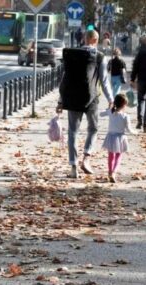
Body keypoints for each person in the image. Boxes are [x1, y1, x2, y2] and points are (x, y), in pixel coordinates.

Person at [57, 29, 114, 178]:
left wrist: (61, 101)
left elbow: (65, 80)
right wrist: (111, 99)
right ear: (96, 40)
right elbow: (104, 81)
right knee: (93, 129)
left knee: (73, 132)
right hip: (91, 99)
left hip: (72, 98)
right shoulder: (99, 57)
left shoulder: (72, 55)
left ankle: (73, 167)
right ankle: (86, 158)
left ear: (84, 38)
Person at [103, 93, 133, 183]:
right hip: (120, 138)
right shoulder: (125, 116)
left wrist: (108, 108)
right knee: (118, 156)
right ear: (124, 104)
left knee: (111, 156)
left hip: (111, 137)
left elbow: (100, 114)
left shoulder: (111, 112)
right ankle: (114, 173)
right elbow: (129, 129)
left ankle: (109, 172)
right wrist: (135, 132)